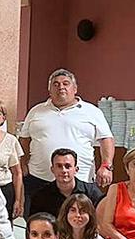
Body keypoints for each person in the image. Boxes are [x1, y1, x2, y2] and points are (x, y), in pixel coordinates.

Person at [19, 68, 115, 208]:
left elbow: (106, 139)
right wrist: (23, 162)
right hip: (39, 179)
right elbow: (24, 139)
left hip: (80, 181)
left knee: (79, 224)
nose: (61, 87)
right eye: (56, 84)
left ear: (75, 88)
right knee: (38, 224)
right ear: (49, 90)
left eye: (66, 83)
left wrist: (106, 166)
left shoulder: (92, 111)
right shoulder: (35, 111)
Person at [28, 148, 105, 218]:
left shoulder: (92, 192)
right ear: (52, 169)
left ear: (76, 169)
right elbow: (35, 223)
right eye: (59, 166)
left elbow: (102, 219)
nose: (64, 170)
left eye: (68, 166)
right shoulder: (41, 195)